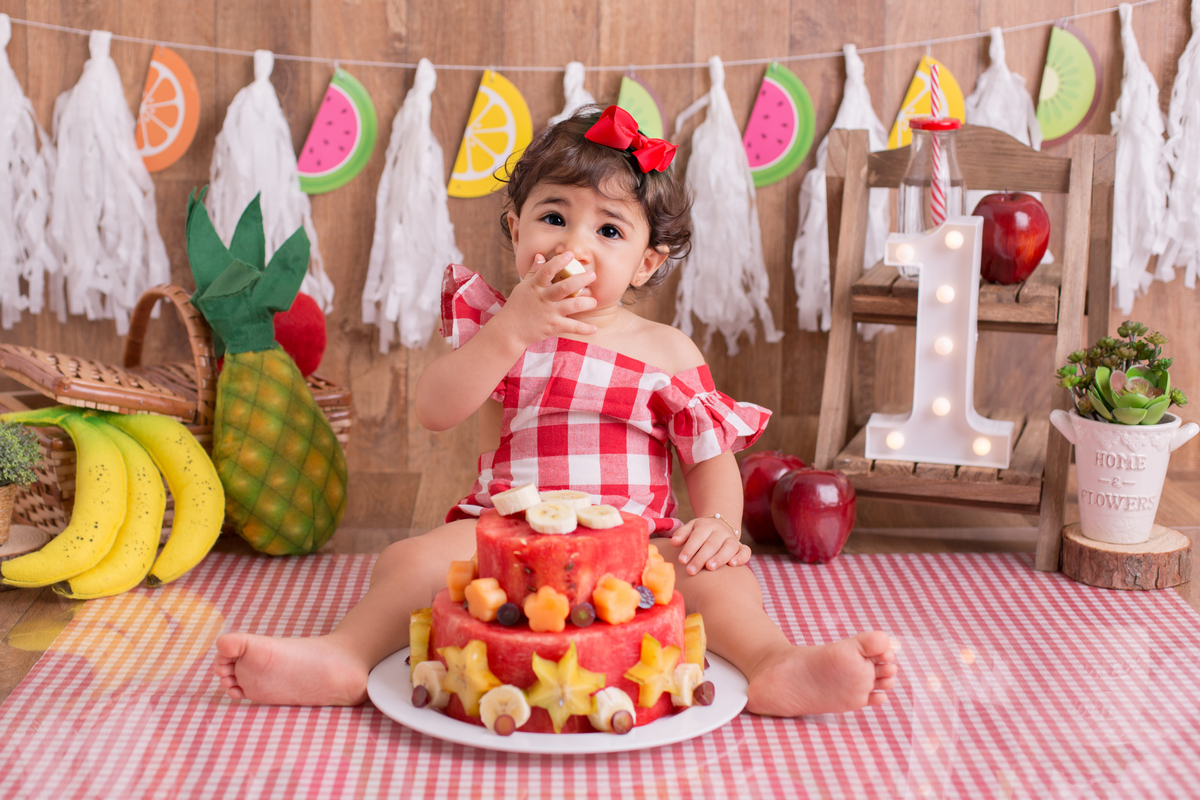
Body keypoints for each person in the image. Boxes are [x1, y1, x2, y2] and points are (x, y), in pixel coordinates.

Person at [214, 105, 897, 717]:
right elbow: (435, 410)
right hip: (507, 530)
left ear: (644, 263)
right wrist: (513, 330)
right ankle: (344, 654)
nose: (573, 244)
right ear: (516, 230)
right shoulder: (497, 329)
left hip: (638, 541)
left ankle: (775, 664)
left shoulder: (665, 348)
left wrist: (717, 527)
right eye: (552, 217)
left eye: (607, 229)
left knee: (725, 584)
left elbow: (708, 456)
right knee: (409, 561)